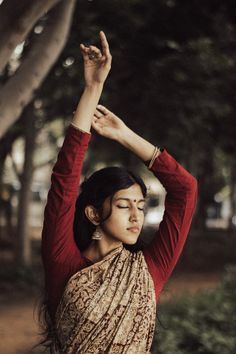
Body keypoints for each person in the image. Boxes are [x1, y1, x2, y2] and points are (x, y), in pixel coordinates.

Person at [40, 31, 198, 353]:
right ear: (94, 213)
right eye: (125, 205)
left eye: (140, 206)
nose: (136, 215)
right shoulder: (63, 263)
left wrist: (125, 136)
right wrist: (93, 89)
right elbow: (65, 179)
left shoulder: (151, 268)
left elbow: (185, 189)